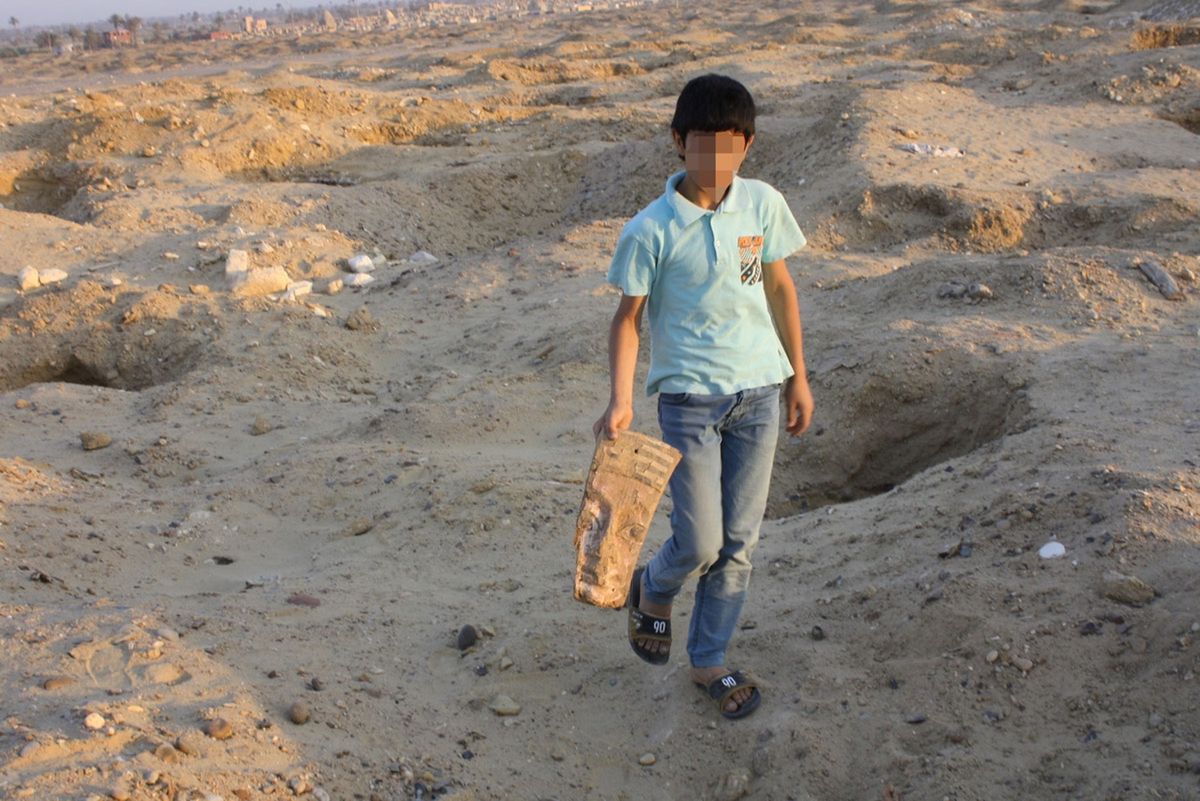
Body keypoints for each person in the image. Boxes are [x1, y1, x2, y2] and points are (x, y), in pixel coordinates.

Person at [593, 73, 814, 720]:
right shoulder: (649, 230)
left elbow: (779, 288)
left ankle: (709, 659)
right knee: (699, 541)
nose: (714, 159)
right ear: (677, 143)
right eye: (700, 144)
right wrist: (619, 399)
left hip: (760, 395)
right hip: (688, 400)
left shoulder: (764, 204)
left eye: (729, 144)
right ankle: (653, 587)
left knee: (740, 541)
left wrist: (798, 373)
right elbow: (626, 320)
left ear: (746, 145)